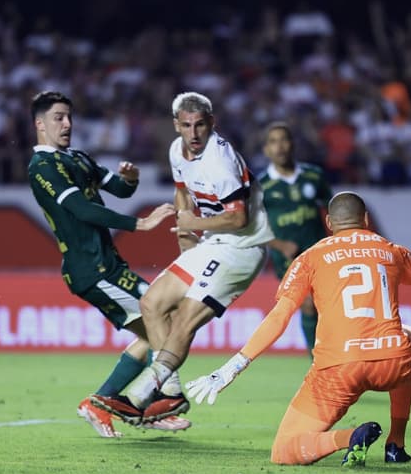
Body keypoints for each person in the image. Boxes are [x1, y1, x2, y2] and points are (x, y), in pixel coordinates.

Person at [182, 191, 411, 466]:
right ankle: (396, 444)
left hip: (340, 368)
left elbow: (279, 318)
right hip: (392, 361)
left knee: (284, 450)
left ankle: (346, 438)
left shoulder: (310, 257)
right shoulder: (390, 250)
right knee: (410, 340)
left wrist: (233, 366)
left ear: (328, 223)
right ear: (366, 219)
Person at [90, 91, 275, 424]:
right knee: (152, 304)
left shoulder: (220, 162)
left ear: (211, 124)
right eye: (187, 125)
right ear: (176, 125)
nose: (193, 133)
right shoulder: (177, 150)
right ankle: (171, 394)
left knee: (186, 316)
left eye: (200, 125)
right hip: (211, 243)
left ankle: (142, 394)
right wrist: (188, 236)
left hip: (242, 247)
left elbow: (239, 218)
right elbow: (181, 190)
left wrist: (194, 223)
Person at [27, 91, 189, 437]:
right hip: (91, 269)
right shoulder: (42, 167)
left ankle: (108, 402)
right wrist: (139, 224)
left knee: (154, 332)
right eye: (58, 117)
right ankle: (160, 398)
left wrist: (130, 179)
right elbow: (82, 210)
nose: (67, 123)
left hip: (108, 265)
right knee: (164, 317)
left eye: (69, 116)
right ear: (40, 125)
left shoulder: (78, 159)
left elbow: (119, 188)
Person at [258, 121, 332, 354]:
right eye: (273, 142)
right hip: (288, 259)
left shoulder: (314, 176)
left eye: (283, 140)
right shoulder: (261, 187)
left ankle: (331, 357)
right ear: (266, 150)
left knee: (328, 307)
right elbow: (250, 227)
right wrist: (279, 244)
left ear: (292, 144)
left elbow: (332, 210)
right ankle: (317, 362)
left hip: (320, 252)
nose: (279, 146)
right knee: (309, 304)